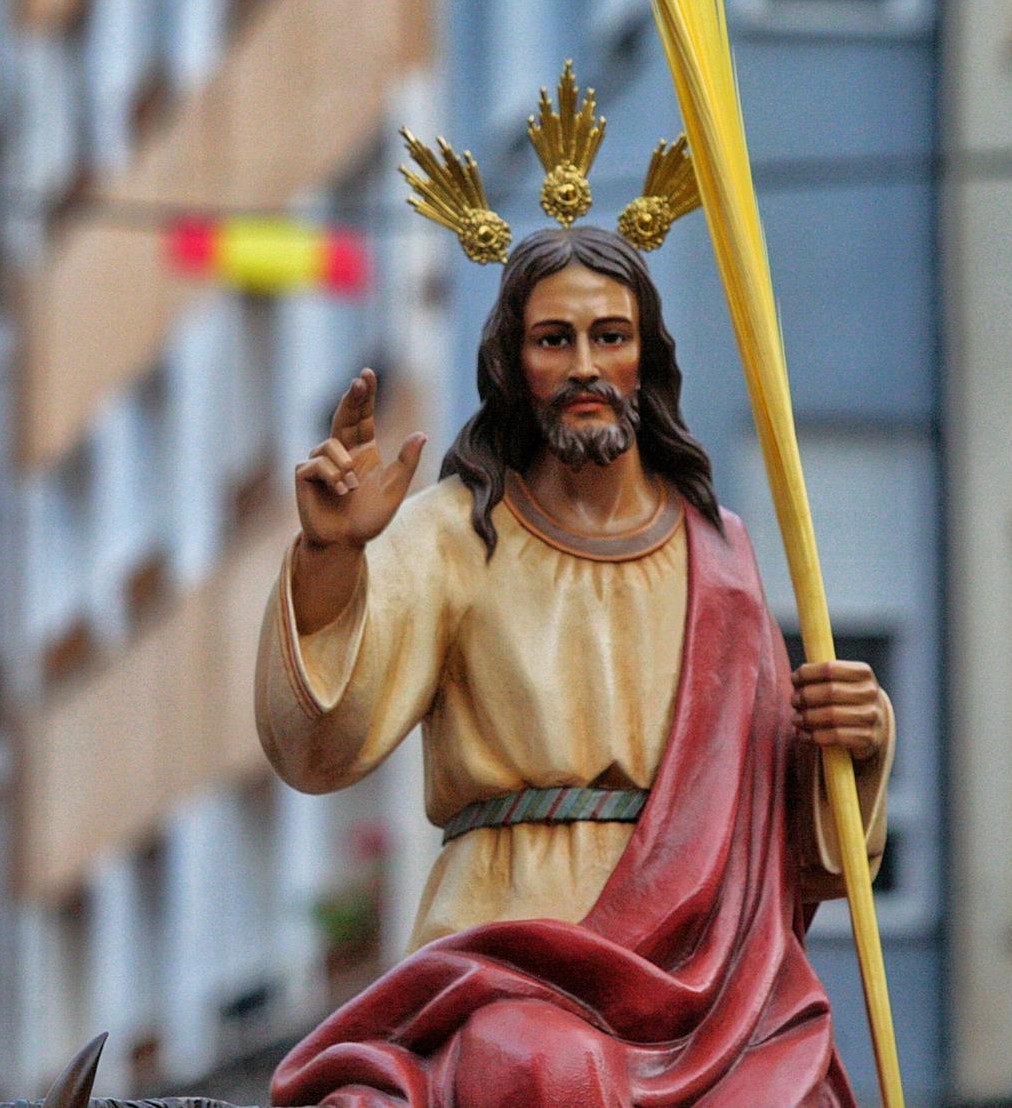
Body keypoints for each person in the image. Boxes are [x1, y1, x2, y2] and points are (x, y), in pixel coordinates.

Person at [255, 69, 893, 1107]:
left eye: (610, 336)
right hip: (509, 950)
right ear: (513, 362)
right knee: (548, 1066)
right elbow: (323, 738)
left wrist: (851, 739)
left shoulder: (716, 554)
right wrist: (330, 562)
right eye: (554, 340)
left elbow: (799, 845)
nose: (586, 364)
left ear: (646, 357)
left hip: (706, 965)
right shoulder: (457, 532)